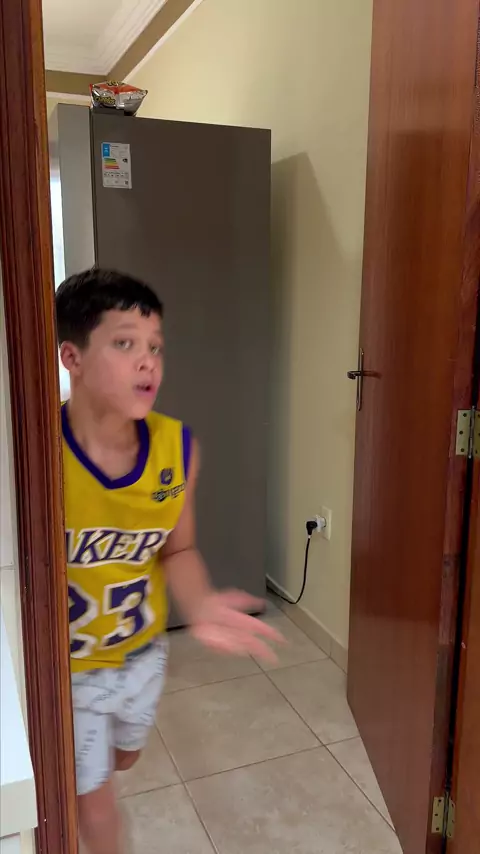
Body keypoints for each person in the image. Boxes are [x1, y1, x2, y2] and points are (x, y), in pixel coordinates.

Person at [56, 268, 282, 854]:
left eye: (155, 347)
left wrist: (200, 605)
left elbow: (177, 548)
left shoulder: (178, 448)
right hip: (70, 669)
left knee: (125, 756)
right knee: (94, 804)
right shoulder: (40, 451)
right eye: (124, 342)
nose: (147, 361)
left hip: (141, 652)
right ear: (72, 358)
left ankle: (99, 761)